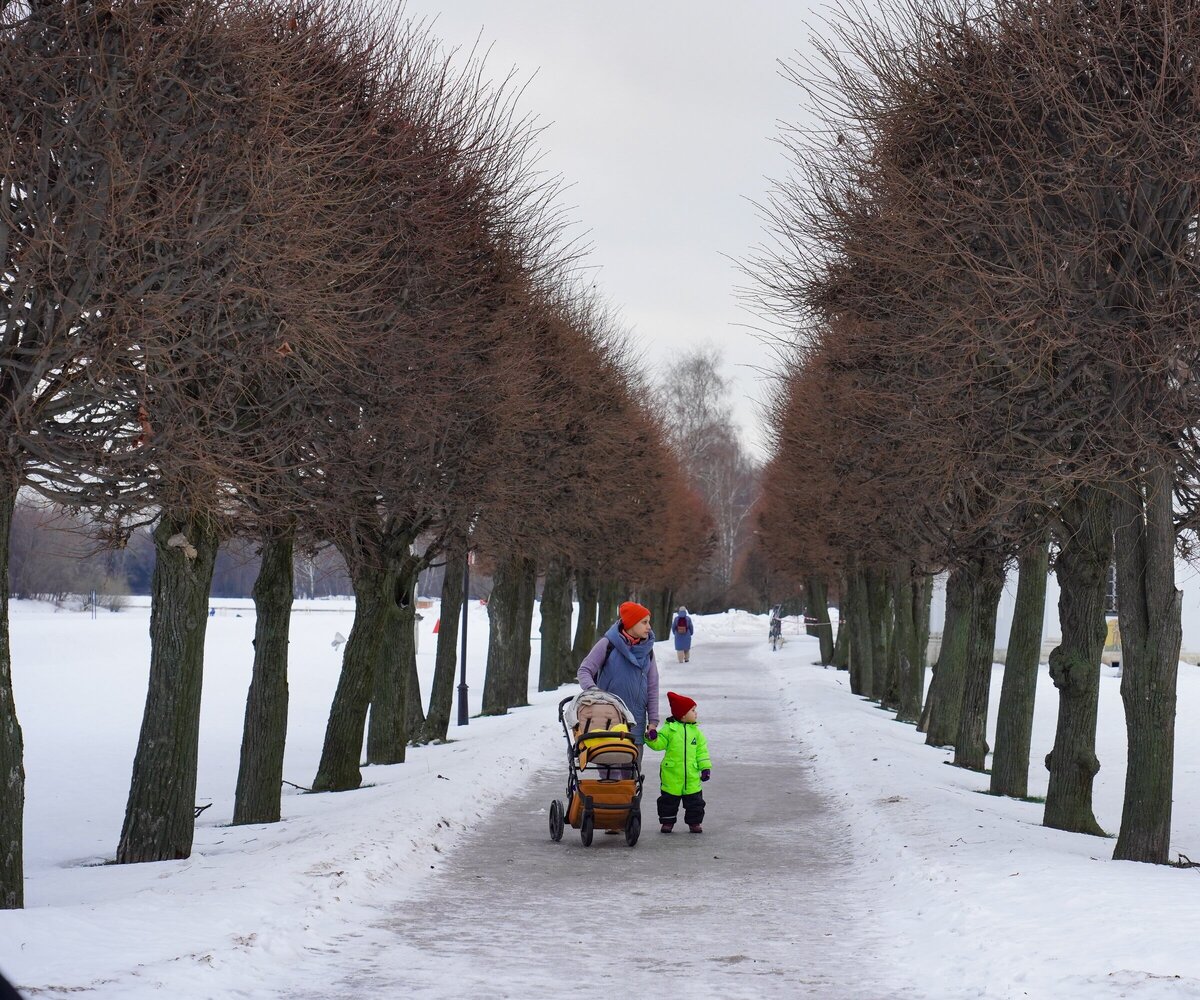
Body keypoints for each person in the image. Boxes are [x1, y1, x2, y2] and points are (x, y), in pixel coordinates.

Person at [577, 600, 660, 749]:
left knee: (632, 770)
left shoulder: (648, 651)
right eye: (644, 622)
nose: (649, 627)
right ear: (631, 624)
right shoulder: (608, 644)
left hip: (636, 722)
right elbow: (584, 670)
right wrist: (594, 692)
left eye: (649, 622)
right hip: (606, 719)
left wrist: (653, 721)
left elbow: (652, 688)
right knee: (610, 766)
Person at [645, 690, 712, 833]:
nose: (696, 713)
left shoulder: (696, 733)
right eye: (693, 710)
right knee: (668, 802)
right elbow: (659, 744)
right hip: (672, 774)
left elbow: (702, 752)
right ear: (683, 715)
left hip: (691, 776)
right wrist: (651, 737)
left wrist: (705, 768)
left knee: (695, 803)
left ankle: (694, 823)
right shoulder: (669, 729)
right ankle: (667, 822)